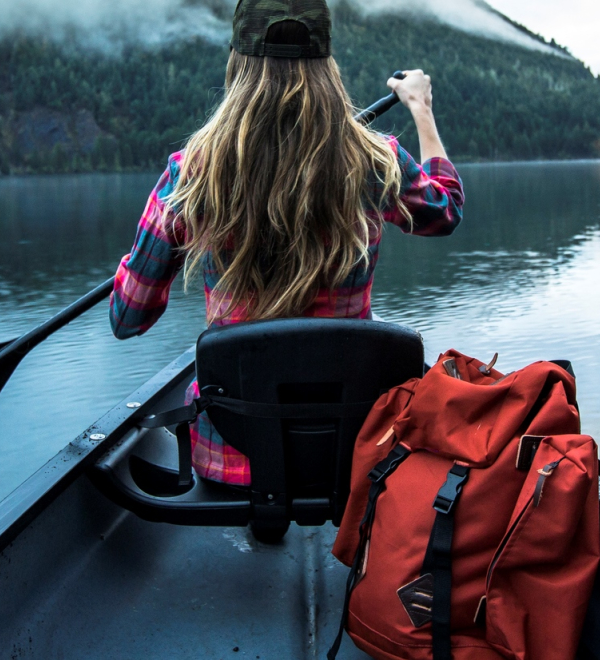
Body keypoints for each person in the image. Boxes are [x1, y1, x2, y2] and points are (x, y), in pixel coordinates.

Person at [109, 0, 464, 487]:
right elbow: (446, 212)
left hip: (232, 458)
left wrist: (149, 254)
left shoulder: (189, 174)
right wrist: (421, 110)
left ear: (237, 63)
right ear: (327, 66)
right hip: (356, 455)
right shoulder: (377, 163)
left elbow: (127, 319)